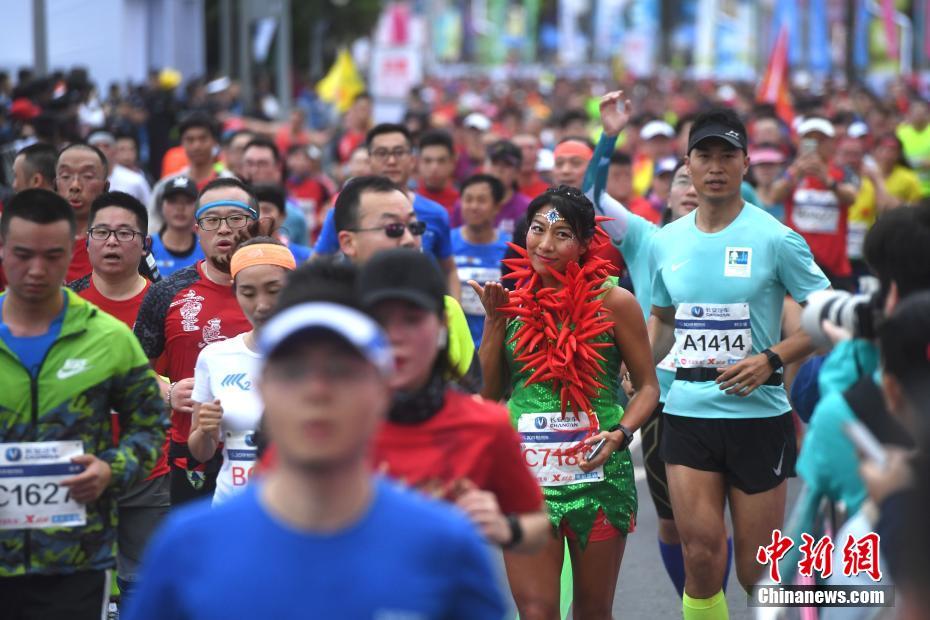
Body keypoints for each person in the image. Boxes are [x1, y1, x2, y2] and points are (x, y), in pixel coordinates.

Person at [123, 300, 506, 620]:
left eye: (342, 372)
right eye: (295, 372)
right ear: (263, 390)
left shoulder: (445, 545)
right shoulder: (188, 546)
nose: (317, 392)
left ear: (383, 393)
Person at [648, 109, 830, 619]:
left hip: (758, 415)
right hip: (686, 410)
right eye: (704, 155)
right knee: (701, 555)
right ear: (687, 162)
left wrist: (771, 358)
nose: (715, 166)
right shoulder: (667, 241)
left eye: (728, 155)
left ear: (746, 162)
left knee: (757, 569)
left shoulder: (776, 237)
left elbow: (827, 316)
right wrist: (642, 371)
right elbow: (662, 319)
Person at [474, 186, 660, 617]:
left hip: (598, 476)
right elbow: (487, 395)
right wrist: (493, 323)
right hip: (527, 479)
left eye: (562, 234)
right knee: (536, 612)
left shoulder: (615, 303)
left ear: (584, 244)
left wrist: (620, 434)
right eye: (537, 230)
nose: (545, 244)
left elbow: (648, 387)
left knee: (593, 611)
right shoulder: (511, 304)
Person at [0, 189, 167, 619]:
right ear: (3, 250)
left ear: (71, 252)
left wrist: (113, 468)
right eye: (22, 254)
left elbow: (149, 427)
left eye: (52, 256)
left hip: (75, 561)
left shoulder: (108, 339)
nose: (37, 270)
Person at [358, 248, 550, 554]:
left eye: (412, 319)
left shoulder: (485, 423)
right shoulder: (326, 424)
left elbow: (537, 523)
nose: (395, 336)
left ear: (442, 328)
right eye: (381, 321)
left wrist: (506, 528)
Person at [134, 178, 257, 506]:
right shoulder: (167, 291)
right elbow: (133, 371)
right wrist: (169, 392)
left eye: (236, 219)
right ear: (197, 229)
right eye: (212, 220)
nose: (225, 230)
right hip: (193, 452)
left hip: (266, 451)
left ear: (255, 225)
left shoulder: (284, 291)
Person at [332, 175, 476, 384]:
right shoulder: (327, 314)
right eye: (393, 229)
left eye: (414, 227)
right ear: (348, 242)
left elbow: (471, 396)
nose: (409, 240)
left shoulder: (447, 309)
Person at [188, 238, 296, 505]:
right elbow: (201, 452)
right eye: (248, 293)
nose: (261, 304)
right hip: (231, 508)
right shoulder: (215, 357)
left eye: (273, 290)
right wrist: (205, 431)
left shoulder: (317, 355)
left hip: (298, 512)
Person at [314, 123, 460, 300]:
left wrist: (452, 314)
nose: (391, 161)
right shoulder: (343, 211)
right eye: (382, 153)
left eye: (399, 152)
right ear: (369, 160)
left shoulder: (437, 213)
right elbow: (316, 266)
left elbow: (449, 269)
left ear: (412, 159)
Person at [770, 117, 859, 289]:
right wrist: (794, 174)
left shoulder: (842, 172)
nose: (816, 145)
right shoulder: (791, 171)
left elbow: (851, 197)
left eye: (821, 140)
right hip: (797, 264)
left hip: (835, 266)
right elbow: (774, 195)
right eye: (810, 140)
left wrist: (827, 180)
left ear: (832, 144)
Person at [68, 191, 152, 328]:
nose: (111, 241)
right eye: (101, 232)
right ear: (87, 242)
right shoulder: (67, 301)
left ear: (145, 244)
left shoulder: (163, 304)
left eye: (124, 233)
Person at [452, 174, 511, 346]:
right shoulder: (446, 244)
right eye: (468, 199)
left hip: (496, 344)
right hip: (457, 344)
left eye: (481, 200)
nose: (473, 206)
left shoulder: (511, 247)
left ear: (497, 207)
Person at [148, 113, 233, 227]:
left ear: (214, 142)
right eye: (190, 139)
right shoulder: (166, 185)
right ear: (182, 143)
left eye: (203, 139)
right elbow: (153, 224)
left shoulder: (231, 184)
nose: (196, 145)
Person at [56, 143, 111, 283]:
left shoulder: (120, 242)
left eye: (87, 176)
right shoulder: (36, 241)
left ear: (105, 187)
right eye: (65, 176)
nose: (75, 186)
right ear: (55, 185)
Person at [452, 140, 532, 235]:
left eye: (507, 165)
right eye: (494, 163)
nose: (499, 169)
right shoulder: (465, 205)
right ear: (484, 166)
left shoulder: (527, 208)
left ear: (517, 171)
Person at [240, 136, 308, 246]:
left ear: (277, 167)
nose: (254, 170)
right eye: (249, 163)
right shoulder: (230, 209)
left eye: (262, 164)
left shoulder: (295, 216)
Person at [149, 176, 205, 277]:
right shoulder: (147, 246)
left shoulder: (206, 248)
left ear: (197, 207)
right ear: (162, 205)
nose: (180, 208)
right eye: (173, 201)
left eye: (187, 201)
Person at [88, 129, 152, 205]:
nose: (101, 150)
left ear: (115, 151)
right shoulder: (79, 181)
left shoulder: (135, 180)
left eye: (106, 146)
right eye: (96, 146)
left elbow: (149, 209)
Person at [252, 184, 312, 263]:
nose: (259, 217)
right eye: (253, 211)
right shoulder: (237, 255)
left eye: (266, 210)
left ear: (282, 216)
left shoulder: (306, 258)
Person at [416, 129, 460, 213]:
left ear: (452, 162)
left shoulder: (462, 204)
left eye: (441, 161)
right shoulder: (408, 203)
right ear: (418, 162)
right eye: (427, 161)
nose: (434, 167)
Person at [873, 133, 923, 207]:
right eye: (883, 149)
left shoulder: (908, 178)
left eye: (892, 151)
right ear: (875, 151)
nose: (887, 154)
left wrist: (902, 204)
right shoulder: (865, 174)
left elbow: (917, 206)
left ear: (898, 154)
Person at [896, 98, 930, 198]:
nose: (919, 116)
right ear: (909, 115)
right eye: (916, 113)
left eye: (922, 113)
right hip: (912, 190)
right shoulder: (901, 133)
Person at [513, 132, 551, 199]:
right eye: (520, 149)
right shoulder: (505, 190)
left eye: (531, 148)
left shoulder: (551, 186)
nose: (526, 154)